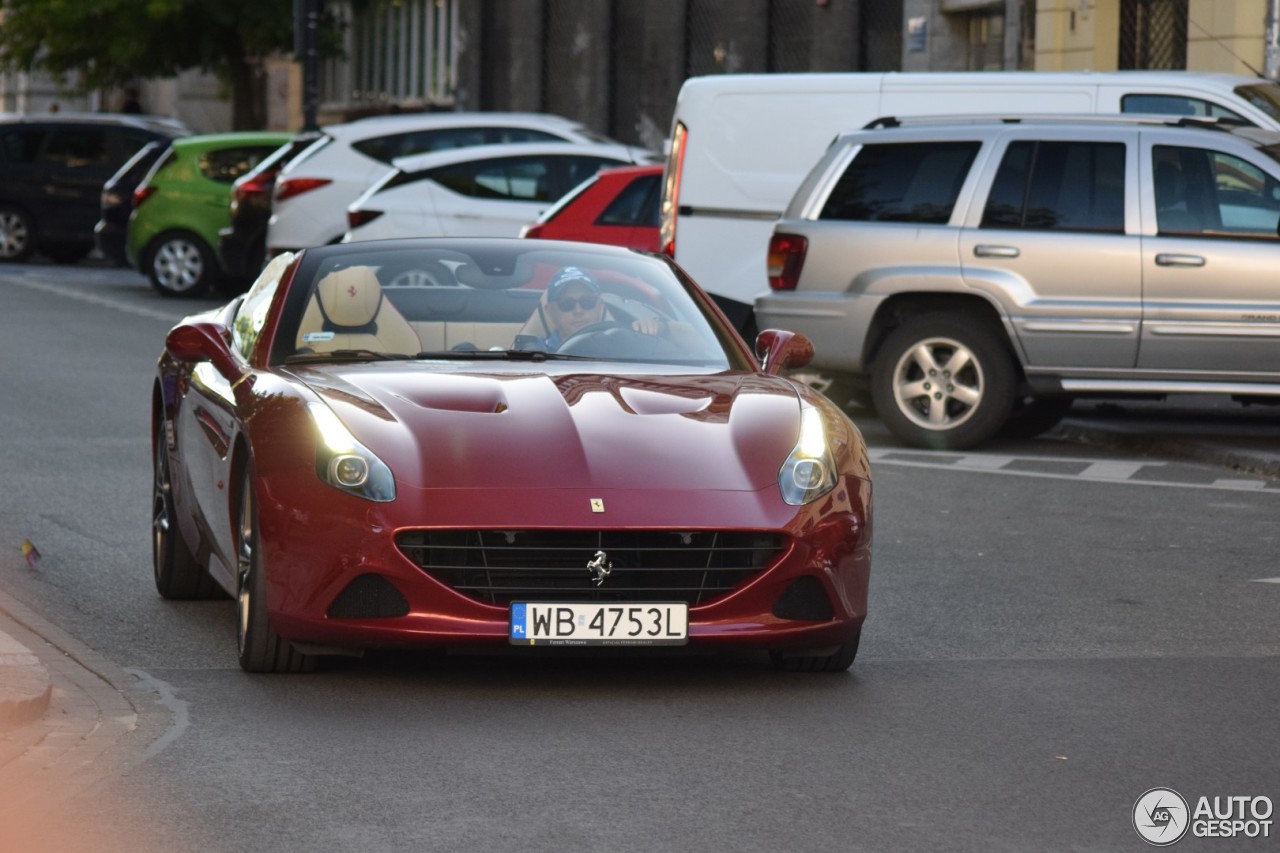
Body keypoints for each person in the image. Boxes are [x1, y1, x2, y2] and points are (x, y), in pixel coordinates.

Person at [528, 266, 664, 351]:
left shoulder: (625, 345)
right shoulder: (534, 355)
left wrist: (656, 329)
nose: (578, 310)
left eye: (587, 302)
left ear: (600, 305)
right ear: (550, 311)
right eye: (567, 303)